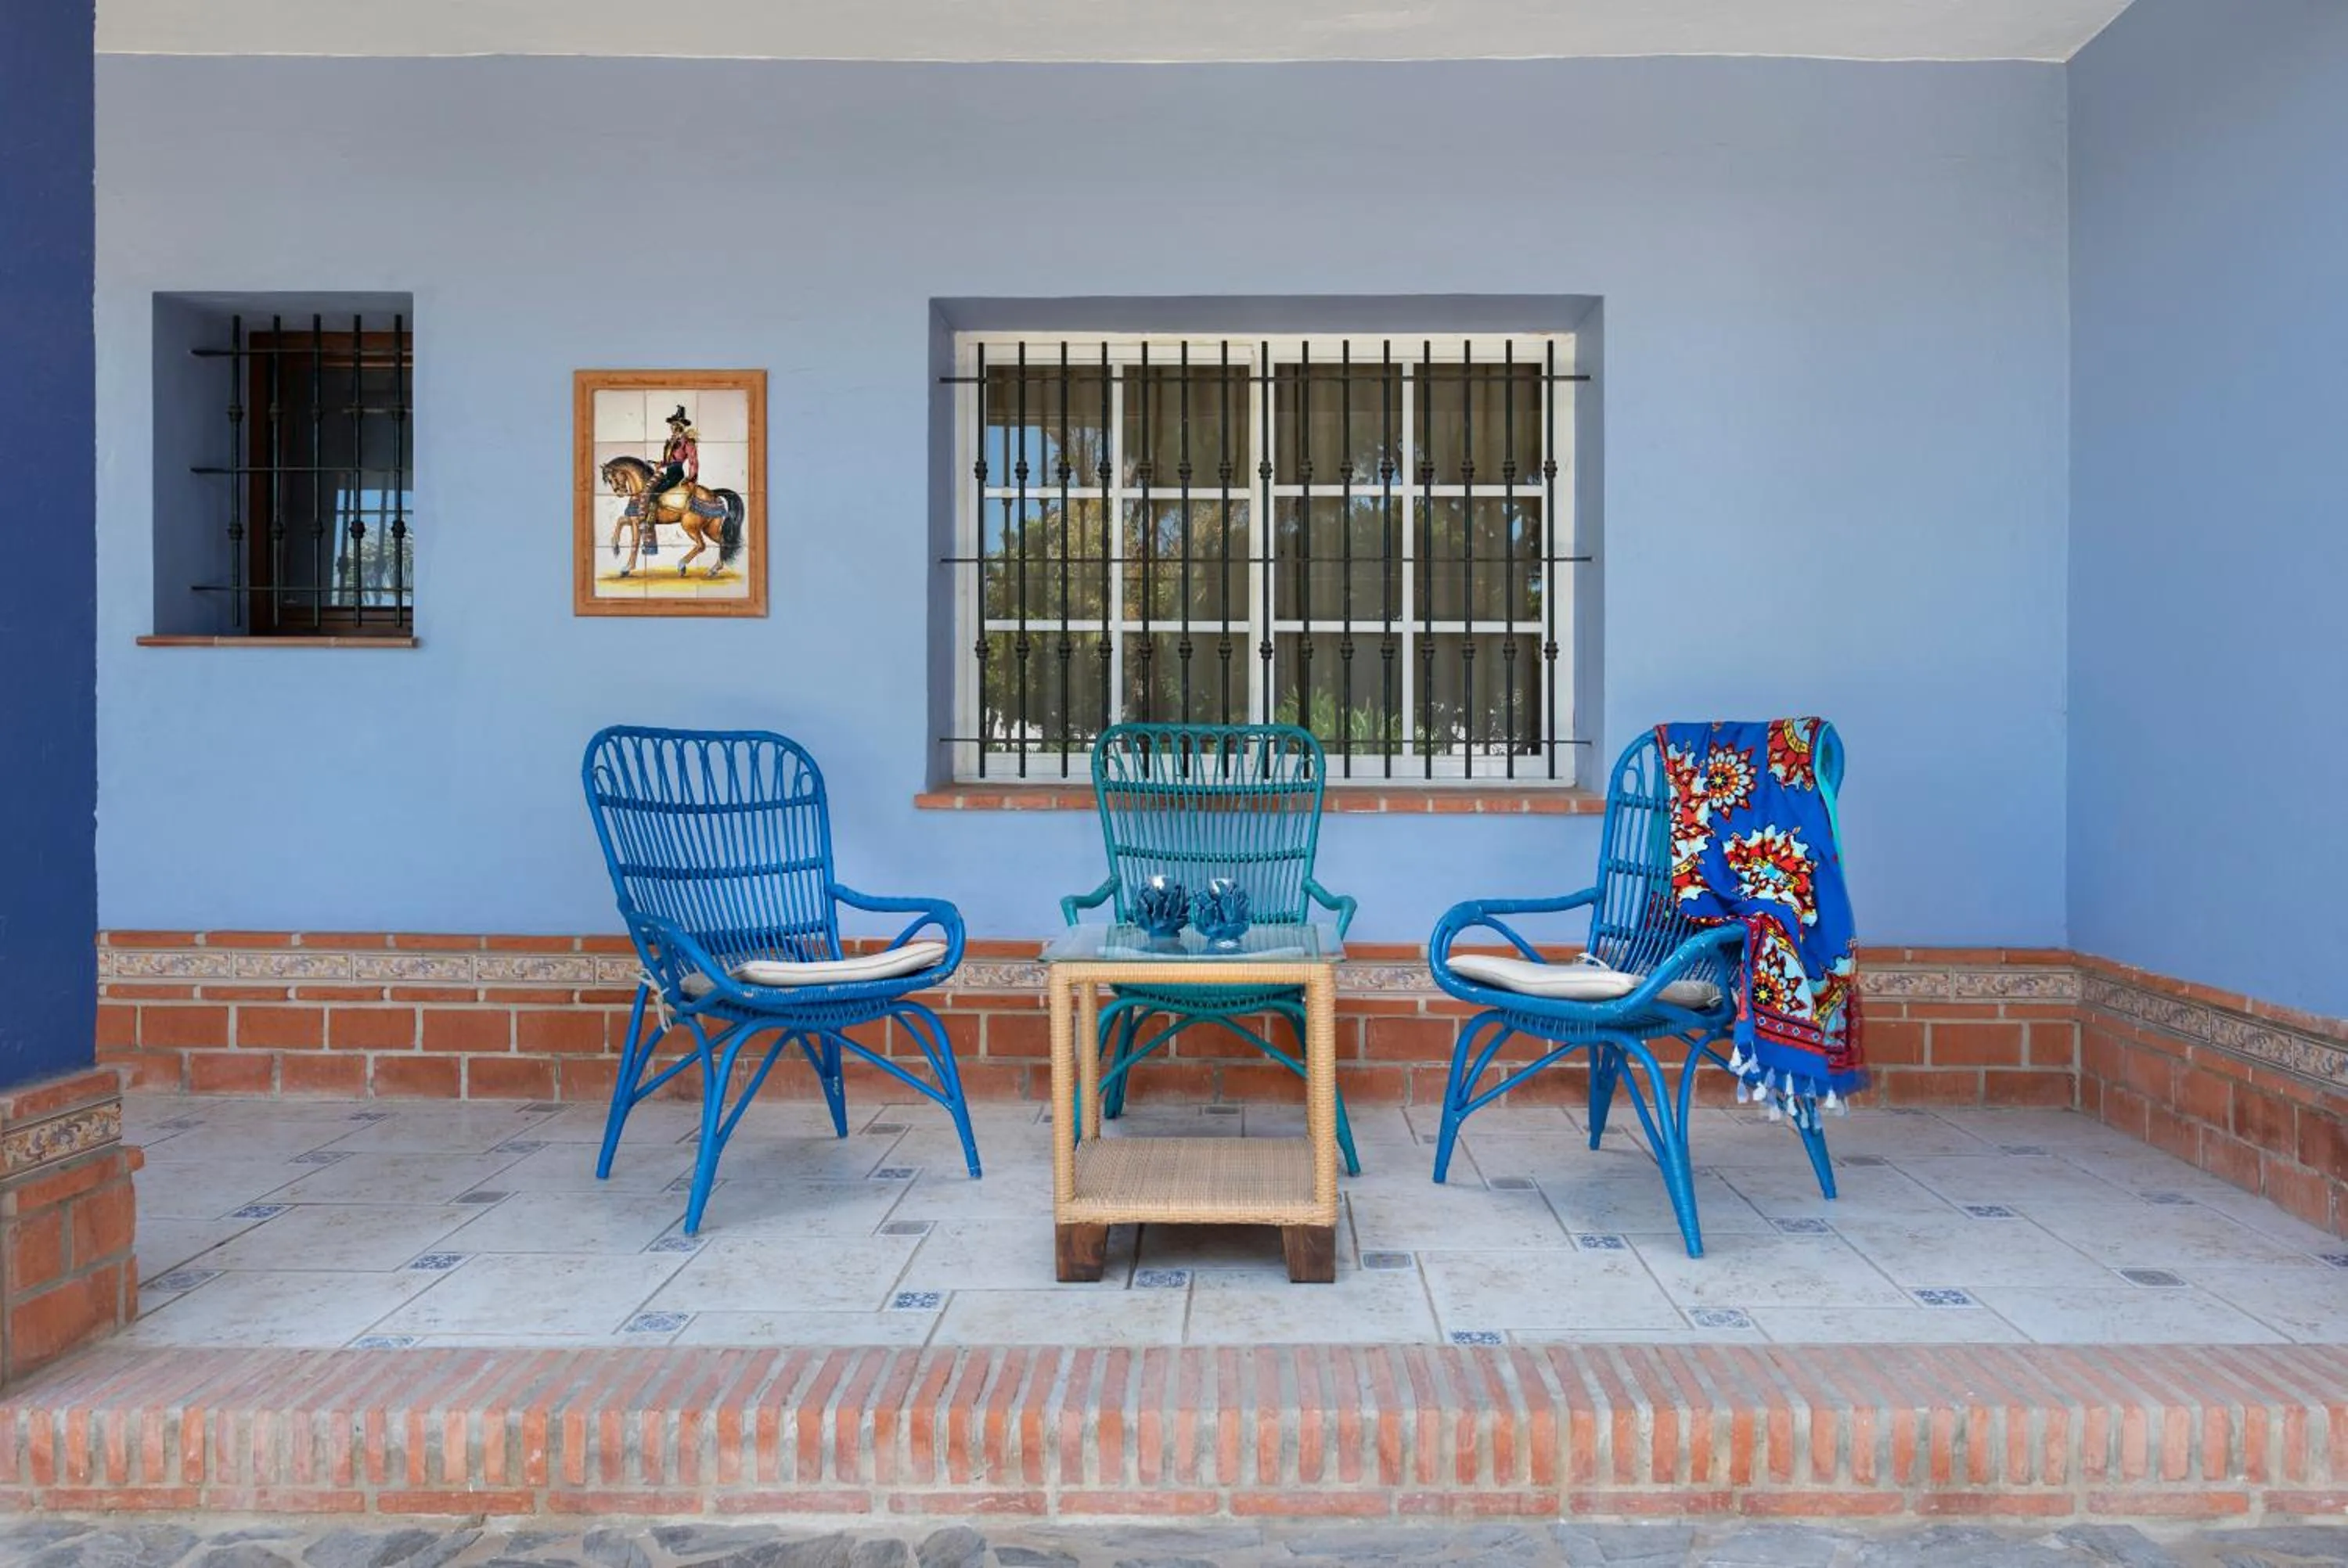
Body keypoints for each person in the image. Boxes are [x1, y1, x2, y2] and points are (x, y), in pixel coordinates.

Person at [652, 405, 698, 496]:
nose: (673, 428)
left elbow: (693, 462)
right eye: (672, 425)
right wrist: (660, 464)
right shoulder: (671, 442)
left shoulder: (687, 442)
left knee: (657, 492)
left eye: (675, 425)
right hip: (669, 473)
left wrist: (691, 479)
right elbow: (668, 460)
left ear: (681, 427)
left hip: (676, 475)